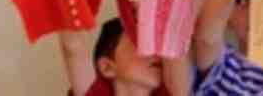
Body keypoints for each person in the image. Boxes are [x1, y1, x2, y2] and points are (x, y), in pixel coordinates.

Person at [60, 17, 190, 96]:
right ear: (107, 67)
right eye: (140, 42)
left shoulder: (172, 90)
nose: (154, 52)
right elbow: (73, 47)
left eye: (156, 45)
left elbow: (173, 45)